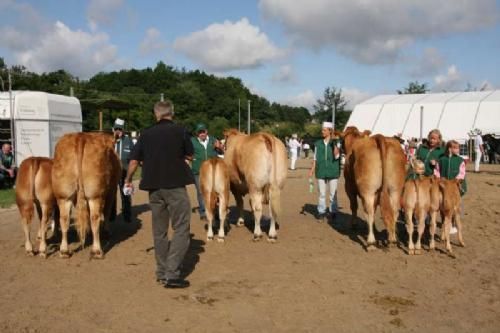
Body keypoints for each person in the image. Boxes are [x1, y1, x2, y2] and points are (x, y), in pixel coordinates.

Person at [124, 100, 194, 289]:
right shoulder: (181, 130)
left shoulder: (146, 134)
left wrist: (128, 180)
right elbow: (189, 155)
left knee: (159, 231)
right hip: (175, 186)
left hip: (154, 189)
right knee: (181, 228)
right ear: (172, 112)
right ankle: (172, 274)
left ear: (156, 114)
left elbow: (133, 161)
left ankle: (162, 272)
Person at [308, 122, 341, 221]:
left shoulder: (337, 142)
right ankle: (321, 212)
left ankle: (333, 211)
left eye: (324, 130)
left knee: (332, 194)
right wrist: (311, 170)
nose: (322, 132)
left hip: (333, 171)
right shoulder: (318, 143)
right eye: (322, 130)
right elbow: (315, 159)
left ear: (330, 131)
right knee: (322, 194)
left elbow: (337, 156)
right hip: (321, 171)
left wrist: (335, 143)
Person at [434, 140, 467, 234]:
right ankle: (444, 223)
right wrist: (439, 178)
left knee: (454, 206)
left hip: (454, 186)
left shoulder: (460, 160)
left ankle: (452, 224)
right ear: (449, 148)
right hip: (443, 186)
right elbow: (437, 170)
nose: (458, 149)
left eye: (458, 148)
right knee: (444, 205)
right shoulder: (442, 159)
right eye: (455, 148)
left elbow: (462, 172)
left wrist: (457, 180)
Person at [190, 123, 221, 221]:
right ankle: (203, 212)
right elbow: (185, 152)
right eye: (200, 132)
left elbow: (222, 152)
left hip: (213, 170)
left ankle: (215, 211)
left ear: (206, 132)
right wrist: (191, 158)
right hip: (198, 170)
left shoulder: (213, 140)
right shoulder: (192, 141)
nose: (202, 134)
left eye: (203, 131)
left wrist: (219, 147)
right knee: (201, 192)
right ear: (197, 133)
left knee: (215, 191)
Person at [111, 118, 134, 223]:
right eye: (116, 129)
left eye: (120, 129)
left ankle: (127, 215)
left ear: (123, 130)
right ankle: (111, 215)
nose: (118, 131)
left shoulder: (128, 140)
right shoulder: (109, 141)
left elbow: (133, 156)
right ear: (113, 129)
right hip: (111, 173)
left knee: (126, 194)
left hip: (125, 172)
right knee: (111, 195)